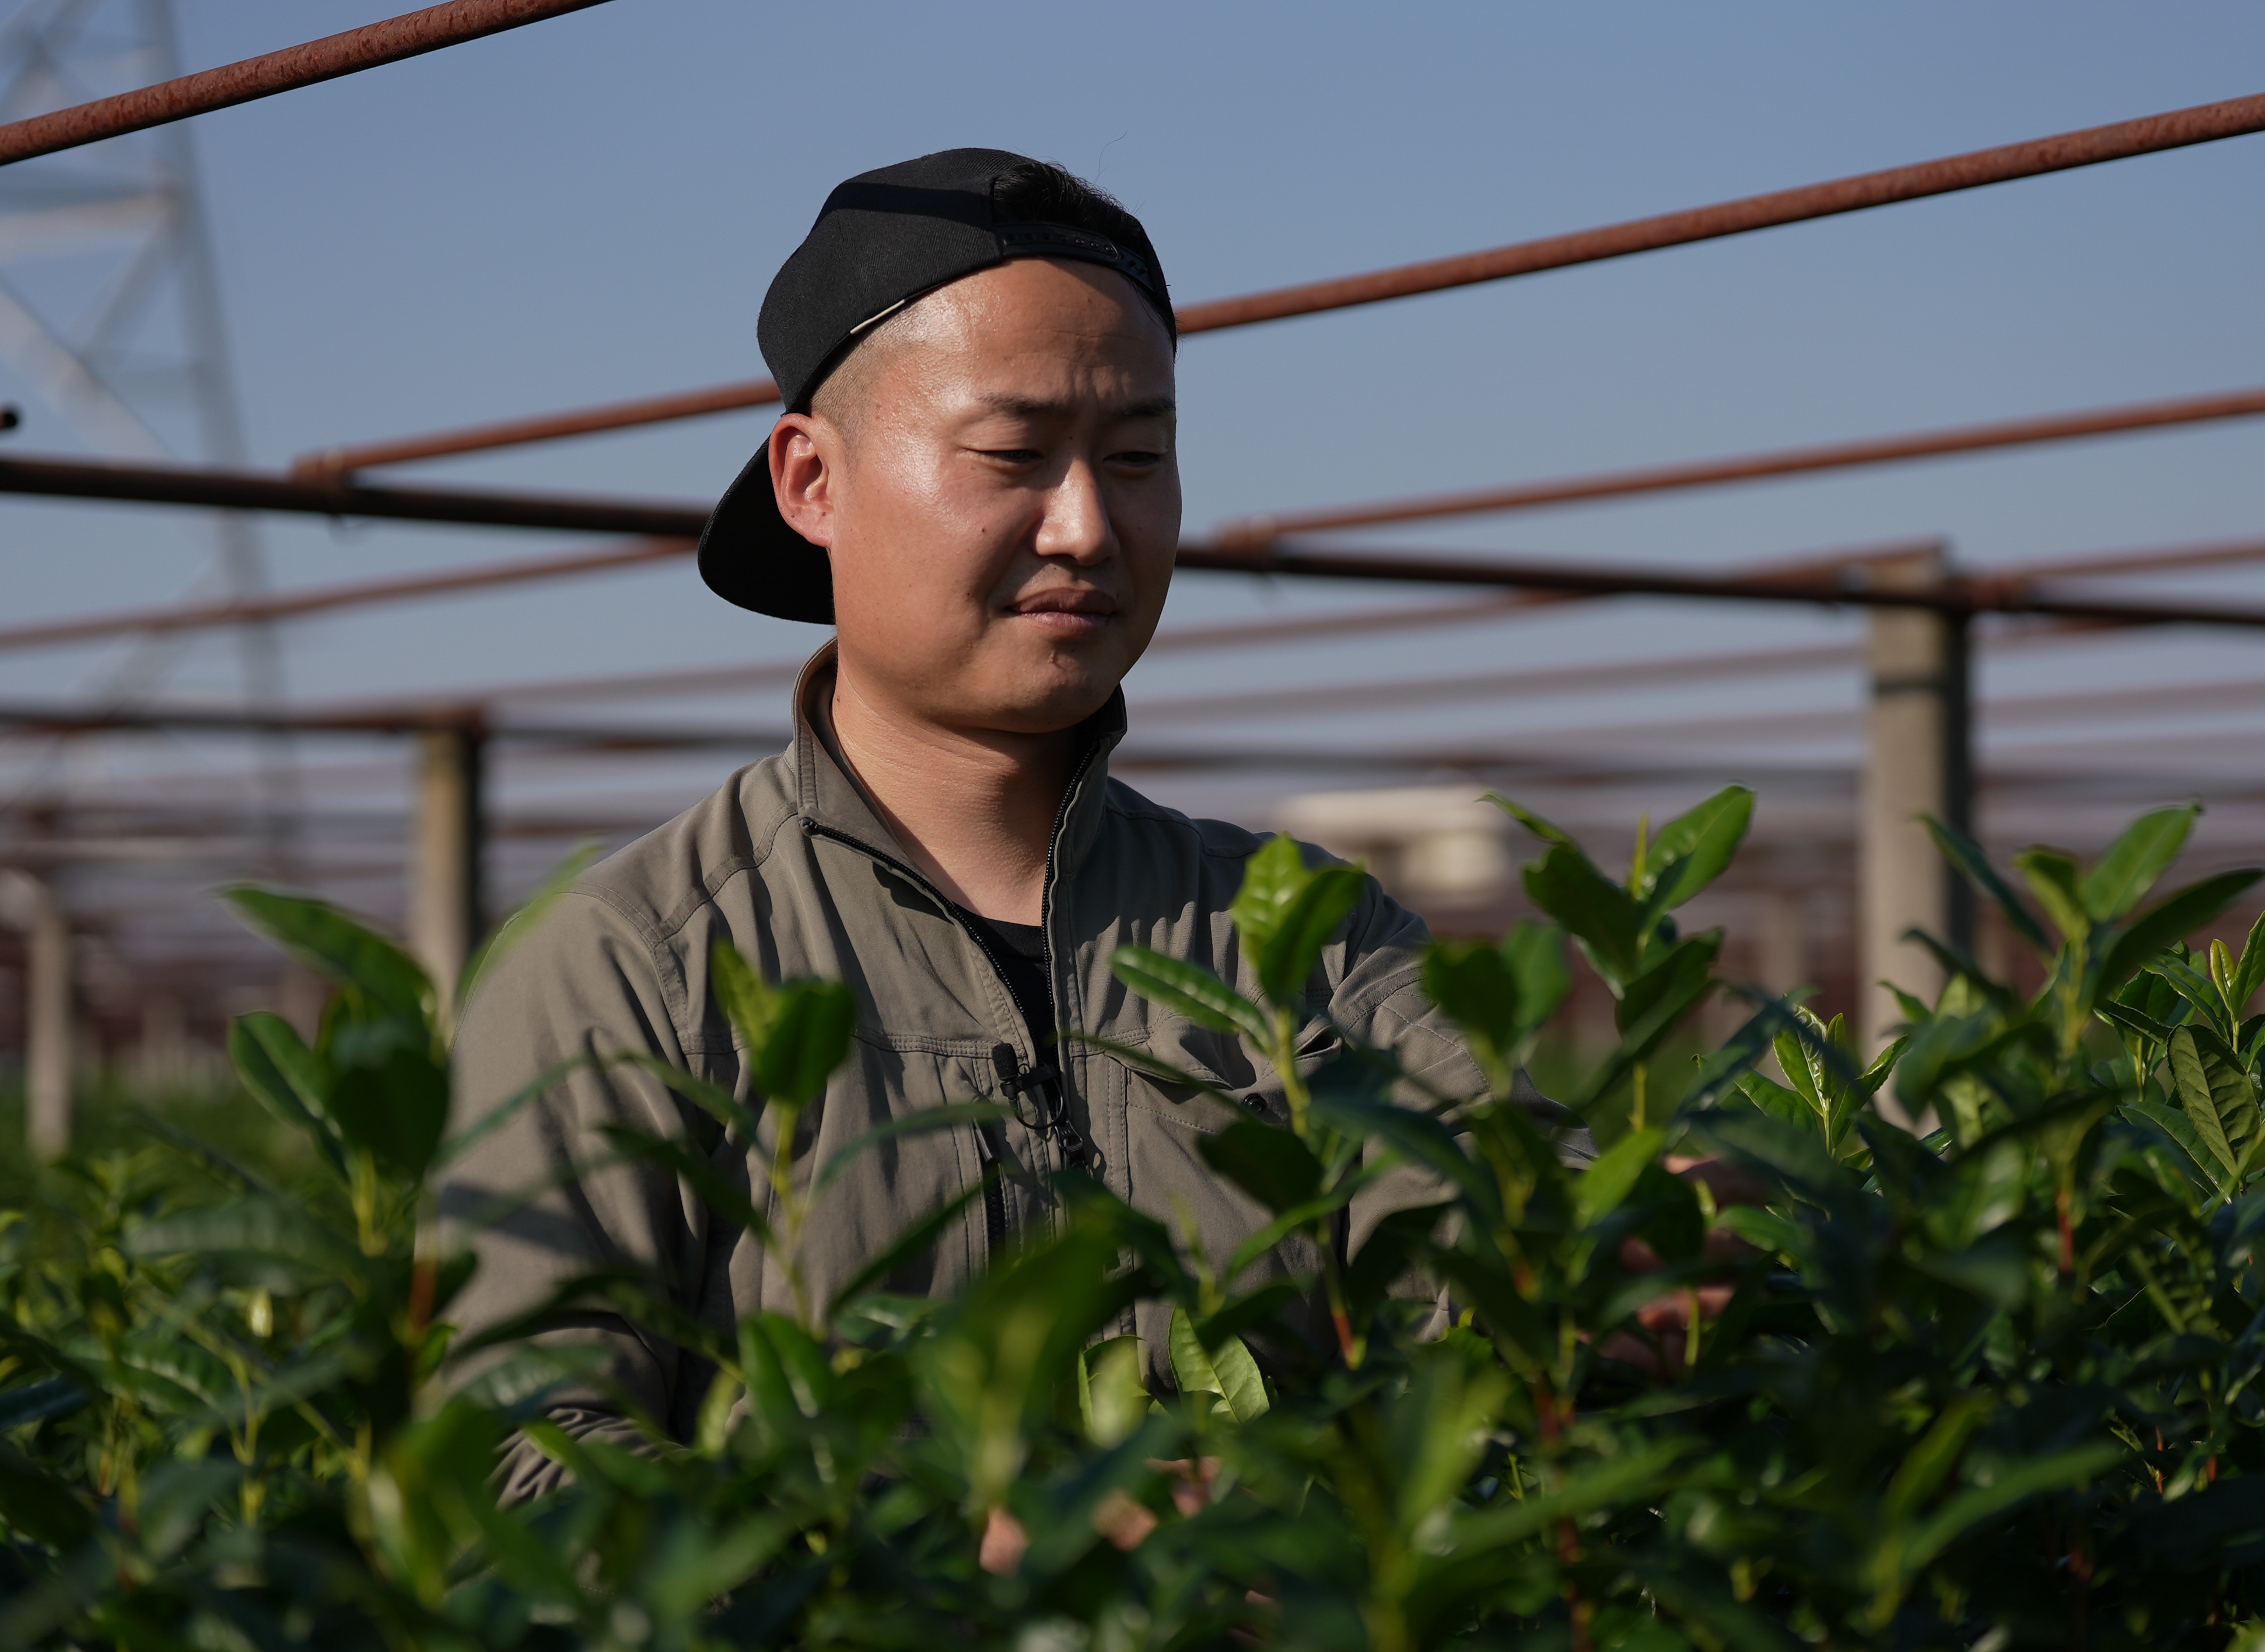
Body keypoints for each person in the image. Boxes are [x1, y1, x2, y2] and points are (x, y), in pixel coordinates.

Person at [440, 150, 1512, 1499]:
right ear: (811, 482)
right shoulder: (631, 963)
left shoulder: (1306, 938)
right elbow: (512, 1469)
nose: (1085, 524)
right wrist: (939, 1559)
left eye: (1137, 458)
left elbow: (1512, 1299)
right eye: (1011, 455)